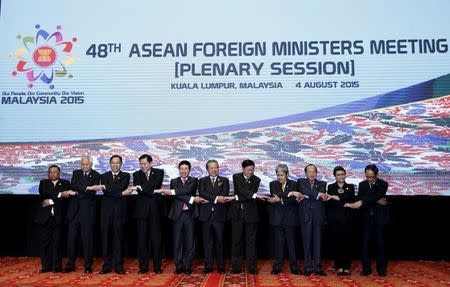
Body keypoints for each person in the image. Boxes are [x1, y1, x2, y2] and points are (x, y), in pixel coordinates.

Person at [156, 160, 203, 274]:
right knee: (177, 241)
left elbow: (187, 190)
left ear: (189, 170)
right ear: (179, 170)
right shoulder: (174, 181)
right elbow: (178, 196)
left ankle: (188, 265)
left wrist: (171, 192)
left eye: (186, 169)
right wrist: (191, 199)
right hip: (177, 215)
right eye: (182, 169)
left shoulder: (194, 180)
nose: (184, 171)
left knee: (190, 241)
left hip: (189, 214)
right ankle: (178, 265)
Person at [64, 155, 101, 274]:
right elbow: (73, 186)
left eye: (86, 164)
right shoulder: (76, 173)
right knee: (71, 239)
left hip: (88, 212)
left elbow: (92, 193)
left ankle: (88, 265)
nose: (84, 166)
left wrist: (78, 192)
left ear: (91, 164)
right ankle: (70, 264)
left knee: (87, 240)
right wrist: (88, 187)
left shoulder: (96, 175)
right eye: (82, 164)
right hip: (74, 212)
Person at [34, 165, 74, 273]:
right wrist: (60, 194)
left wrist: (51, 201)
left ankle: (57, 267)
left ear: (59, 173)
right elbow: (45, 193)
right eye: (50, 172)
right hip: (45, 219)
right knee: (45, 244)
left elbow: (65, 200)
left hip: (58, 218)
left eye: (55, 172)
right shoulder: (43, 183)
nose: (52, 174)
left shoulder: (65, 183)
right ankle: (46, 267)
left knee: (57, 243)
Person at [229, 159, 265, 275]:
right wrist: (254, 196)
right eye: (248, 169)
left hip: (251, 214)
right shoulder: (236, 177)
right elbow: (242, 190)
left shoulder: (256, 179)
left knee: (251, 241)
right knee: (236, 240)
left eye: (252, 170)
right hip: (237, 213)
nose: (250, 172)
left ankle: (252, 267)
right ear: (243, 169)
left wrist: (237, 197)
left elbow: (245, 195)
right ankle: (236, 267)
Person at [198, 159, 234, 273]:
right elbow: (202, 193)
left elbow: (225, 193)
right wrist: (216, 198)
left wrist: (214, 198)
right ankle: (208, 266)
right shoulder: (202, 180)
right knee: (207, 242)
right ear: (207, 169)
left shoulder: (224, 180)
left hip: (219, 216)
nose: (214, 169)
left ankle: (221, 266)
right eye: (211, 168)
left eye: (216, 167)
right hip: (206, 216)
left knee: (220, 242)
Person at [132, 154, 164, 274]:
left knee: (156, 240)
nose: (142, 166)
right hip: (141, 212)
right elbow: (141, 190)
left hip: (156, 211)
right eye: (141, 164)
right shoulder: (136, 174)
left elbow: (154, 185)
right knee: (142, 240)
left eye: (144, 163)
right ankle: (143, 267)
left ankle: (157, 267)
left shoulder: (159, 172)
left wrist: (145, 189)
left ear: (151, 163)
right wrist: (153, 190)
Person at [99, 155, 132, 275]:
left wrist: (111, 189)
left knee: (119, 239)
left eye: (117, 163)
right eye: (113, 162)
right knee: (106, 239)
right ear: (109, 163)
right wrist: (121, 193)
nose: (115, 165)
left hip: (119, 212)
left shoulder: (126, 175)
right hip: (106, 212)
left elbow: (116, 187)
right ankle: (106, 266)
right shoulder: (104, 176)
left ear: (121, 164)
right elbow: (106, 191)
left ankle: (118, 265)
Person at [267, 164, 301, 275]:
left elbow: (294, 200)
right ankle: (277, 266)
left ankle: (294, 267)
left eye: (281, 175)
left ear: (287, 174)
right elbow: (275, 195)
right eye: (278, 175)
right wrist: (290, 193)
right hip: (277, 218)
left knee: (291, 244)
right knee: (278, 244)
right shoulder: (273, 184)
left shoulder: (294, 184)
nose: (279, 177)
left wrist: (282, 199)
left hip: (290, 219)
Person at [356, 164, 389, 277]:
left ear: (376, 175)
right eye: (367, 176)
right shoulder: (362, 184)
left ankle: (381, 269)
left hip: (379, 218)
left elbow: (377, 195)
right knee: (365, 244)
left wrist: (367, 200)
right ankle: (366, 268)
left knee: (381, 244)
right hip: (365, 219)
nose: (369, 179)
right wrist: (375, 199)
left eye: (371, 176)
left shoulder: (383, 184)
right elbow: (361, 198)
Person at [297, 164, 327, 276]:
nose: (312, 173)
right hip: (305, 216)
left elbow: (320, 195)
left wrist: (307, 195)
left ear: (316, 173)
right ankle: (308, 267)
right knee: (306, 241)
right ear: (306, 173)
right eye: (309, 171)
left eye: (314, 171)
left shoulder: (322, 183)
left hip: (318, 216)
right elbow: (304, 191)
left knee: (318, 242)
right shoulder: (301, 182)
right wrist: (318, 194)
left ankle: (318, 267)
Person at [325, 166, 356, 275]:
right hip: (335, 219)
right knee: (337, 242)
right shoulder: (331, 187)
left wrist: (336, 198)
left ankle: (346, 266)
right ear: (335, 176)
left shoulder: (350, 187)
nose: (341, 176)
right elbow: (332, 203)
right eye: (338, 175)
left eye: (342, 174)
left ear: (345, 175)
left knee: (347, 243)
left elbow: (349, 196)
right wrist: (345, 202)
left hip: (347, 219)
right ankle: (339, 266)